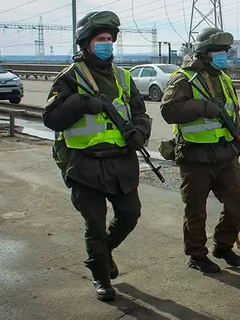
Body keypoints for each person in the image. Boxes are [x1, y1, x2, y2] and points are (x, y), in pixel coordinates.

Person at [42, 11, 152, 300]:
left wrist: (140, 133)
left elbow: (141, 114)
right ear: (86, 43)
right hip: (84, 164)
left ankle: (105, 251)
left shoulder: (123, 77)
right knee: (95, 224)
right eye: (100, 39)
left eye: (109, 39)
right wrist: (81, 103)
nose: (107, 44)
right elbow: (51, 118)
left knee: (130, 214)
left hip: (120, 162)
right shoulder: (69, 78)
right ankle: (101, 277)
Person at [159, 27, 240, 273]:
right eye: (219, 51)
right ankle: (196, 255)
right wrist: (202, 107)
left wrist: (239, 138)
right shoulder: (184, 78)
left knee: (238, 204)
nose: (223, 56)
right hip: (195, 155)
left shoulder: (224, 78)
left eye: (225, 52)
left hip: (225, 154)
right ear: (205, 52)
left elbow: (234, 113)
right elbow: (168, 111)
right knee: (196, 211)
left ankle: (223, 245)